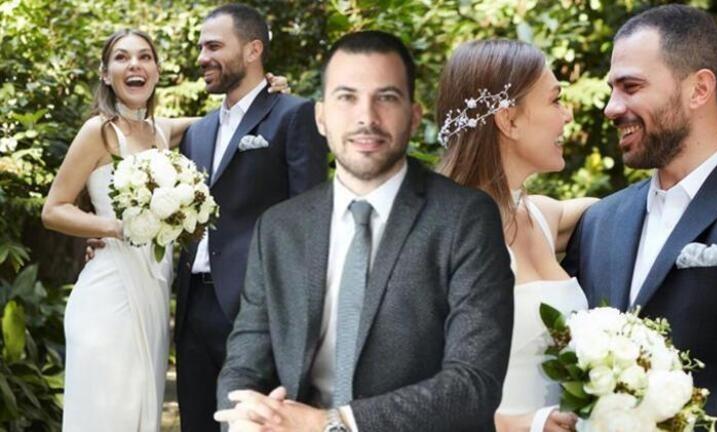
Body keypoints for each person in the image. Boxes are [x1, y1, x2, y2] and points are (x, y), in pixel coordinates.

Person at [436, 38, 717, 432]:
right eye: (555, 100)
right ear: (509, 120)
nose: (568, 115)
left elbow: (657, 214)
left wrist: (715, 165)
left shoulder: (546, 218)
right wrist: (525, 425)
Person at [214, 30, 514, 432]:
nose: (366, 118)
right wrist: (247, 420)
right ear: (321, 117)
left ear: (414, 116)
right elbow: (243, 365)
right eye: (347, 97)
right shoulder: (279, 228)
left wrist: (330, 424)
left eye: (386, 97)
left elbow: (473, 384)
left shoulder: (465, 218)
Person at [562, 5, 717, 431]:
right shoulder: (599, 221)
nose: (611, 108)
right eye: (612, 89)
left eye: (631, 87)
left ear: (699, 90)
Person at [173, 4, 328, 432]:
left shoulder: (294, 115)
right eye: (201, 47)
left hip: (258, 313)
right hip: (193, 308)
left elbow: (310, 223)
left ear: (253, 50)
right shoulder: (197, 132)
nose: (202, 57)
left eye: (214, 47)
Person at [41, 29, 196, 432]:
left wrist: (268, 89)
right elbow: (53, 210)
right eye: (122, 58)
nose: (135, 65)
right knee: (108, 414)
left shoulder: (163, 131)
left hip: (154, 290)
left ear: (157, 70)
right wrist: (116, 227)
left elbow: (230, 117)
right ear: (106, 73)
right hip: (109, 294)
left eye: (145, 57)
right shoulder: (98, 131)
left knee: (141, 410)